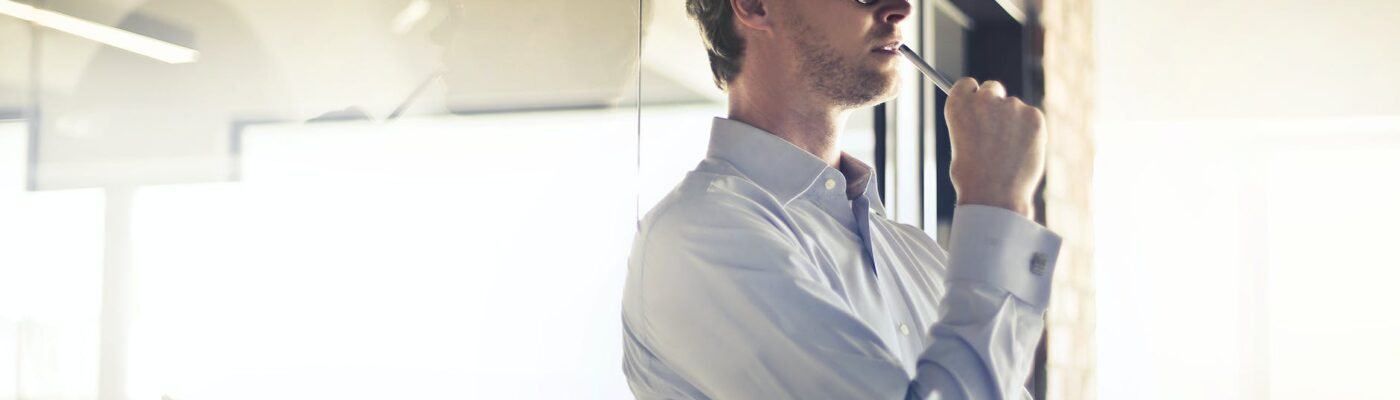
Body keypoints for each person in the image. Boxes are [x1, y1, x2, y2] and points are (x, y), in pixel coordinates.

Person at [620, 0, 1062, 398]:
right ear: (754, 5)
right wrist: (997, 205)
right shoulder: (698, 236)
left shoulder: (919, 257)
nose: (902, 8)